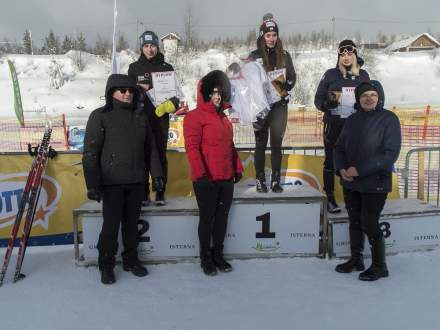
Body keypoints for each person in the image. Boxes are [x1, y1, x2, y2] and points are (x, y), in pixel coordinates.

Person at [82, 74, 161, 284]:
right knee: (110, 227)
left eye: (131, 91)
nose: (127, 94)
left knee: (131, 225)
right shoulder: (100, 115)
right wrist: (92, 184)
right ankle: (106, 264)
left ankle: (131, 260)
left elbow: (150, 150)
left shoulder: (140, 116)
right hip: (111, 183)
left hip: (136, 181)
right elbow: (90, 152)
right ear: (111, 92)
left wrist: (157, 175)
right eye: (122, 90)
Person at [334, 80, 401, 281]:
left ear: (379, 97)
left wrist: (359, 170)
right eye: (364, 95)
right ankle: (356, 259)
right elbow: (339, 147)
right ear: (358, 99)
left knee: (369, 222)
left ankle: (380, 266)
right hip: (351, 181)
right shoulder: (352, 120)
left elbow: (390, 154)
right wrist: (342, 168)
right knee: (354, 221)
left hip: (375, 182)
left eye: (372, 94)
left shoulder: (389, 119)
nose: (368, 98)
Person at [183, 70, 244, 276]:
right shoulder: (194, 117)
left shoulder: (224, 119)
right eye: (213, 92)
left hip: (225, 178)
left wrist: (237, 167)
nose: (217, 96)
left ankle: (218, 255)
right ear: (205, 93)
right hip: (206, 179)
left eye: (220, 92)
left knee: (222, 219)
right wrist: (201, 174)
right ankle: (205, 257)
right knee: (207, 219)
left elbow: (230, 146)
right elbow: (192, 148)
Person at [314, 39, 370, 213]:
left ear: (355, 55)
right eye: (342, 54)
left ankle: (353, 196)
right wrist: (326, 105)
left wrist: (361, 105)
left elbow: (370, 98)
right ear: (339, 56)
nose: (346, 57)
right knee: (331, 161)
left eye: (349, 54)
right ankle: (329, 197)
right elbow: (318, 100)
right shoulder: (331, 74)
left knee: (354, 161)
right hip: (334, 125)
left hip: (355, 126)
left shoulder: (363, 75)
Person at [128, 30, 179, 206]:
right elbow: (128, 94)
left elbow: (176, 96)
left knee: (160, 154)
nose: (150, 50)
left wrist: (171, 104)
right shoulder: (134, 68)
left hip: (160, 119)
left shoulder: (167, 68)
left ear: (158, 47)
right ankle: (143, 192)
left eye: (153, 46)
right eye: (146, 46)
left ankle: (160, 191)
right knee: (142, 155)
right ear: (142, 48)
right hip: (141, 119)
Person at [248, 15, 296, 193]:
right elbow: (246, 82)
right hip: (260, 107)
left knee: (276, 144)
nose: (271, 38)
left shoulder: (284, 55)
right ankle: (260, 180)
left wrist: (286, 85)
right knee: (260, 144)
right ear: (262, 37)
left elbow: (292, 77)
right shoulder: (253, 57)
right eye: (268, 35)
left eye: (274, 35)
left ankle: (276, 180)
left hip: (278, 107)